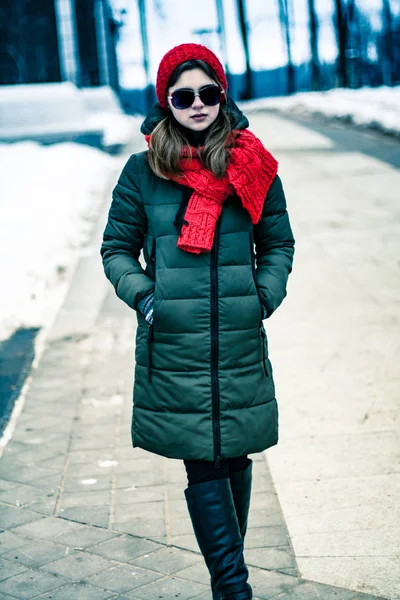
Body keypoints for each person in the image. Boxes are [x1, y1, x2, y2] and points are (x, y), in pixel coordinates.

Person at [101, 43, 295, 600]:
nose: (197, 104)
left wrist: (263, 295)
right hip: (176, 344)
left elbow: (277, 241)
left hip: (237, 335)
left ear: (221, 95)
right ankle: (233, 588)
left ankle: (229, 584)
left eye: (207, 93)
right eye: (183, 95)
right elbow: (116, 249)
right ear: (166, 102)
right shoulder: (143, 171)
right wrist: (145, 297)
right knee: (203, 462)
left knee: (233, 451)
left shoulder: (253, 163)